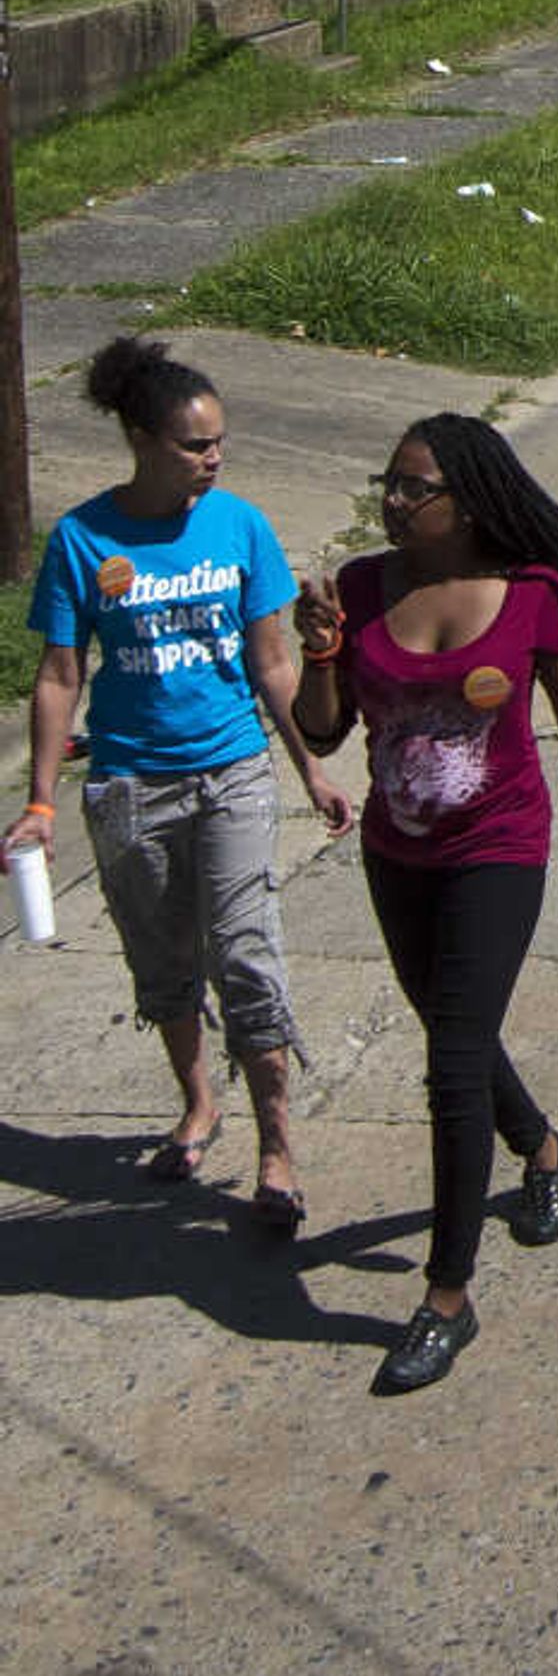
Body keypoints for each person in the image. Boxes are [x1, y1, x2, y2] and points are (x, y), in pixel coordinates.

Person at [288, 414, 558, 1395]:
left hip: (500, 849)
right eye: (388, 484)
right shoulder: (361, 589)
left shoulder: (535, 594)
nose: (392, 503)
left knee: (449, 1057)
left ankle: (447, 1294)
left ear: (470, 500)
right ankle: (542, 1144)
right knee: (454, 1025)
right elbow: (323, 734)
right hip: (398, 851)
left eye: (414, 488)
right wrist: (319, 657)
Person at [18, 338, 350, 1233]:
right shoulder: (84, 539)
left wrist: (310, 766)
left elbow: (271, 662)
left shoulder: (239, 526)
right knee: (163, 963)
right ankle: (199, 1102)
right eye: (195, 445)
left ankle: (276, 1150)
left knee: (246, 955)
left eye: (219, 442)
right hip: (129, 785)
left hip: (233, 773)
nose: (214, 458)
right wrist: (42, 802)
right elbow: (59, 675)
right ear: (140, 439)